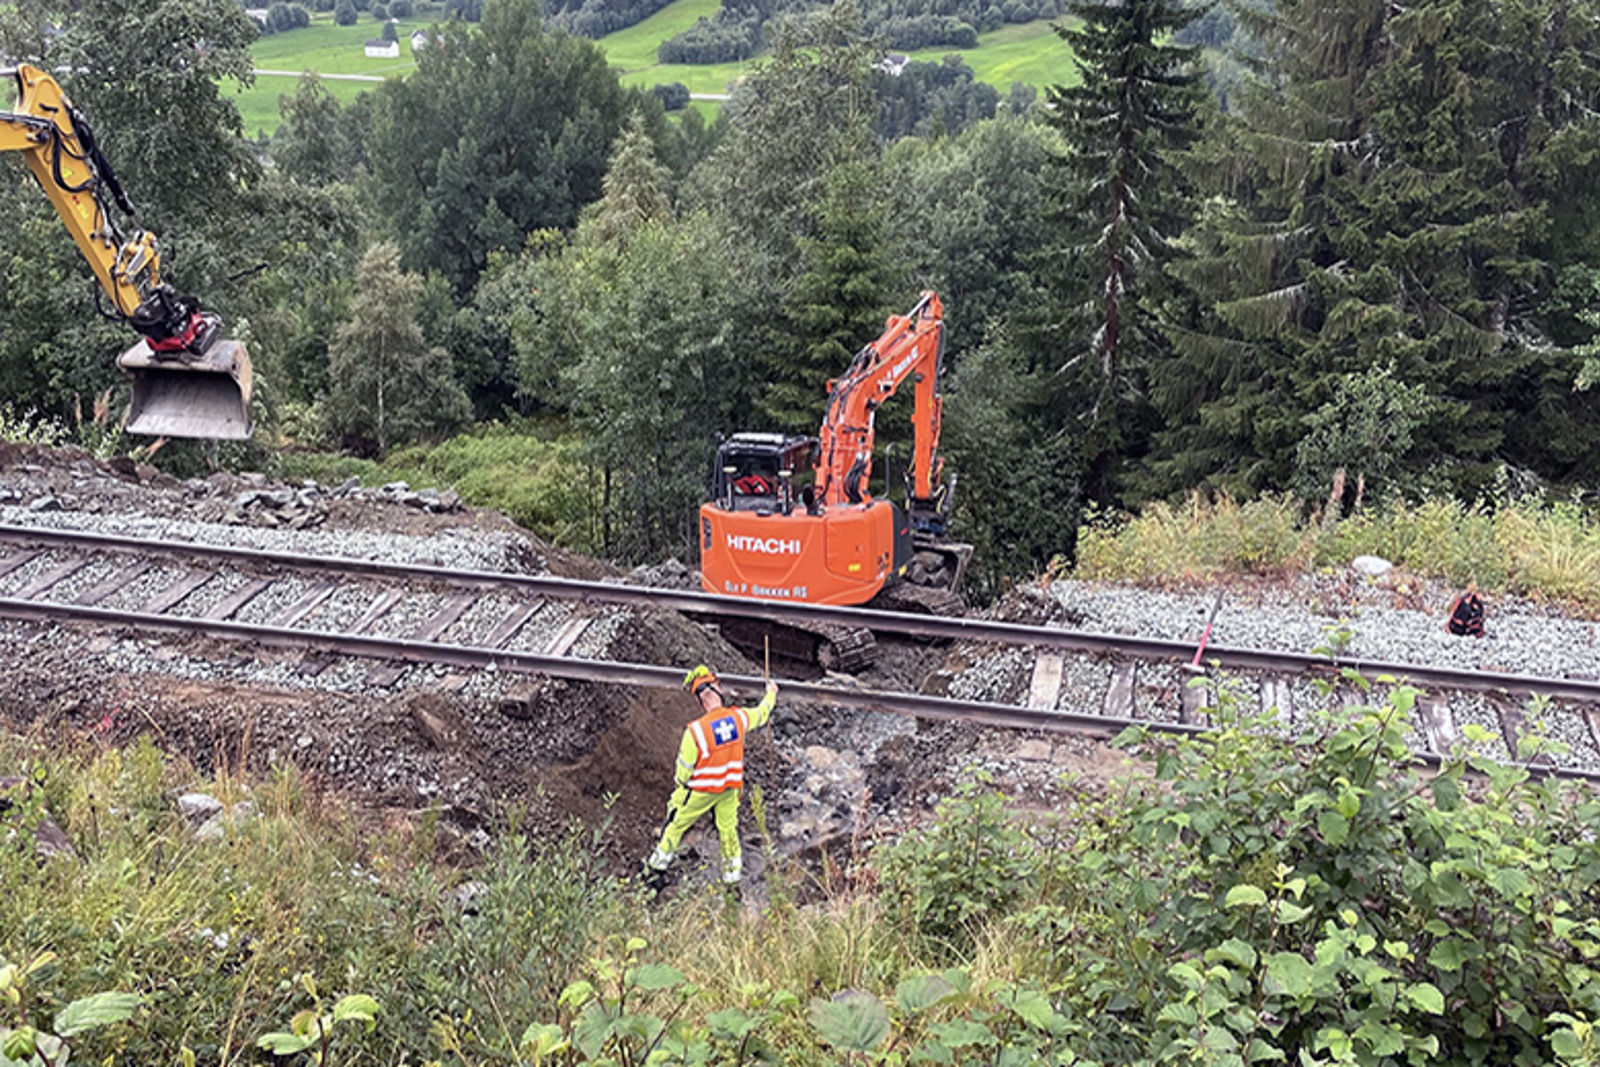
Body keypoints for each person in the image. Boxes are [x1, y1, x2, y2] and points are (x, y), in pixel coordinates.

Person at [644, 664, 777, 888]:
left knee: (675, 826)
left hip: (701, 791)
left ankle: (655, 873)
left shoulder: (695, 731)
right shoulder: (738, 718)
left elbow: (684, 771)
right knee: (728, 831)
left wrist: (682, 789)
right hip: (729, 789)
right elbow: (762, 714)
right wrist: (771, 694)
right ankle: (732, 883)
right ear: (716, 691)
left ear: (700, 700)